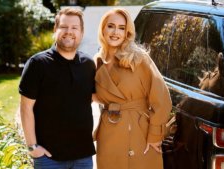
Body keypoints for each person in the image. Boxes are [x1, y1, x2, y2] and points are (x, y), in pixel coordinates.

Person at [93, 8, 172, 169]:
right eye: (111, 26)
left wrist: (155, 135)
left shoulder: (139, 58)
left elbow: (162, 98)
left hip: (141, 133)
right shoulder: (97, 61)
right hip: (109, 133)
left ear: (127, 33)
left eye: (122, 28)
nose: (116, 32)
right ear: (103, 29)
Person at [19, 7, 96, 169]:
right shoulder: (37, 64)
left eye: (74, 28)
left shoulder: (89, 65)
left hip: (83, 156)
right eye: (64, 27)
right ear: (55, 30)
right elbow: (26, 108)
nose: (69, 32)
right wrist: (33, 147)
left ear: (81, 32)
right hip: (49, 157)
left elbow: (97, 98)